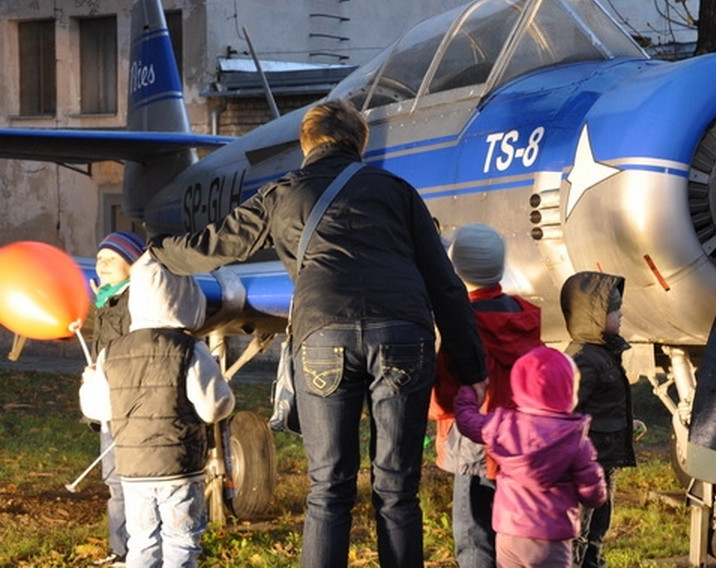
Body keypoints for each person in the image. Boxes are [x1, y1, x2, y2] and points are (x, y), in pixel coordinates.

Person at [147, 99, 488, 568]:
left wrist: (157, 252)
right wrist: (472, 368)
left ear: (307, 144)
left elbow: (213, 246)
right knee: (397, 486)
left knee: (328, 488)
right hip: (402, 337)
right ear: (359, 143)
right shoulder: (399, 193)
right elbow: (445, 285)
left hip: (323, 337)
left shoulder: (282, 192)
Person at [78, 255, 235, 568]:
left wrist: (88, 381)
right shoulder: (189, 349)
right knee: (181, 542)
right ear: (185, 299)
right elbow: (214, 407)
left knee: (142, 541)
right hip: (178, 467)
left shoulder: (113, 351)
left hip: (133, 471)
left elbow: (96, 408)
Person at [428, 223, 543, 568]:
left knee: (474, 535)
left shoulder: (461, 324)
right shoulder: (523, 317)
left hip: (473, 444)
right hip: (519, 441)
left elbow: (446, 395)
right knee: (514, 532)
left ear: (456, 268)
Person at [454, 346, 608, 568]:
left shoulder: (504, 426)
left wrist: (469, 391)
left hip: (510, 533)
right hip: (552, 538)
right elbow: (592, 491)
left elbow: (468, 423)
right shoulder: (574, 440)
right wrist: (595, 497)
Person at [559, 271, 642, 568]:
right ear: (593, 316)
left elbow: (603, 404)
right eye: (613, 310)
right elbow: (569, 412)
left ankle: (592, 560)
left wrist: (624, 423)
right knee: (580, 525)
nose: (620, 315)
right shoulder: (584, 359)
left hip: (604, 458)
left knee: (598, 522)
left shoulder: (605, 353)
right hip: (587, 462)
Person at [76, 230, 147, 567]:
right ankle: (122, 550)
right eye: (98, 258)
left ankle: (141, 551)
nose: (100, 265)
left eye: (110, 259)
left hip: (131, 408)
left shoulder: (138, 301)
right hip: (111, 407)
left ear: (132, 265)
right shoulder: (108, 300)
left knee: (132, 484)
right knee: (115, 483)